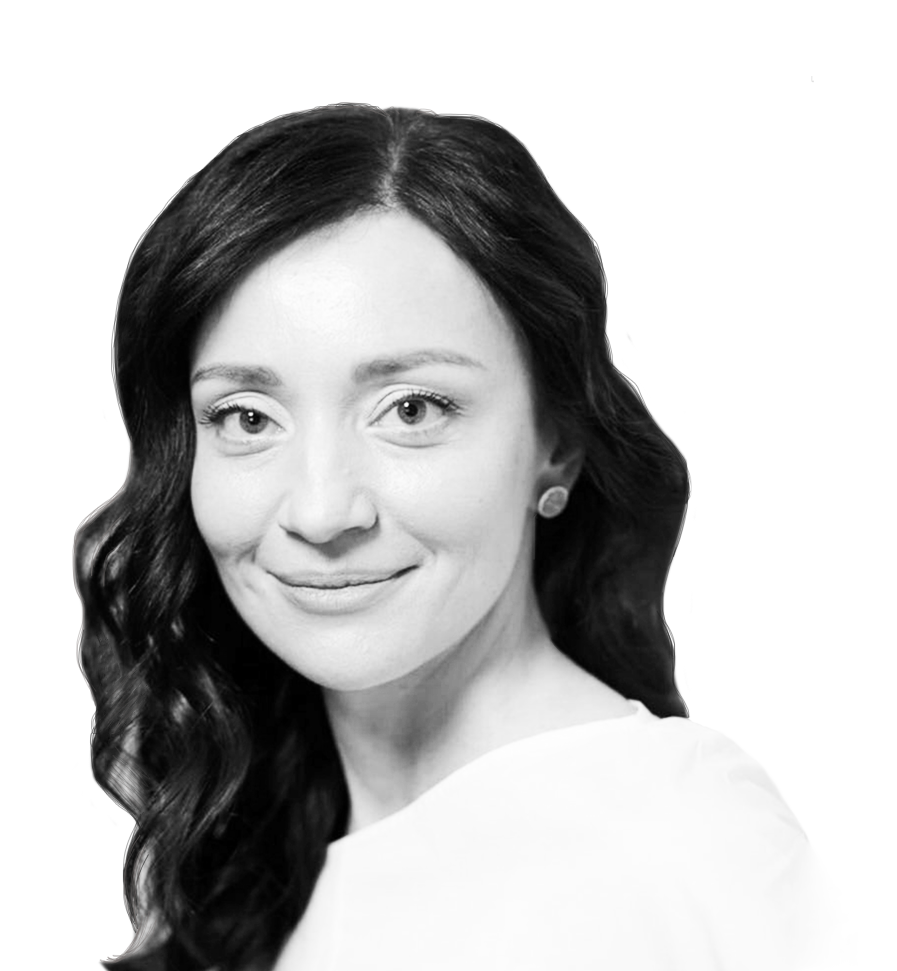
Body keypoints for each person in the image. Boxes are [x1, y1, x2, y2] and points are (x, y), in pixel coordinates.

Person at [74, 97, 821, 971]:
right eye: (247, 416)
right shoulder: (262, 855)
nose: (321, 510)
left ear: (557, 442)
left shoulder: (683, 845)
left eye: (413, 409)